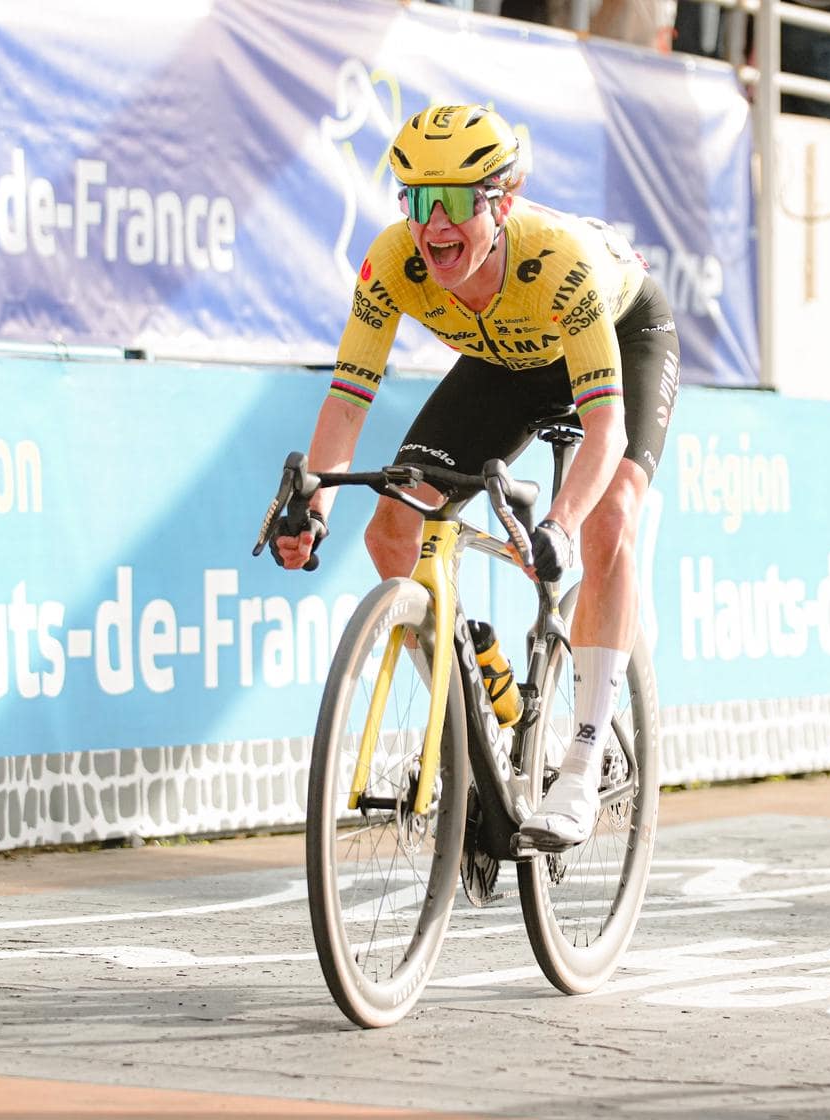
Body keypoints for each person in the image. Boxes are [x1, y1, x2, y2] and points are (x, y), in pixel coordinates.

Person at [270, 104, 681, 849]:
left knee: (608, 517)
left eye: (456, 201)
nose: (435, 225)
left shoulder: (558, 259)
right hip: (507, 363)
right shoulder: (391, 261)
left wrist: (557, 523)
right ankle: (471, 717)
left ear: (502, 202)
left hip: (619, 335)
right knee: (393, 526)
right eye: (419, 200)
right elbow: (347, 397)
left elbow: (606, 429)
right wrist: (314, 502)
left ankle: (583, 763)